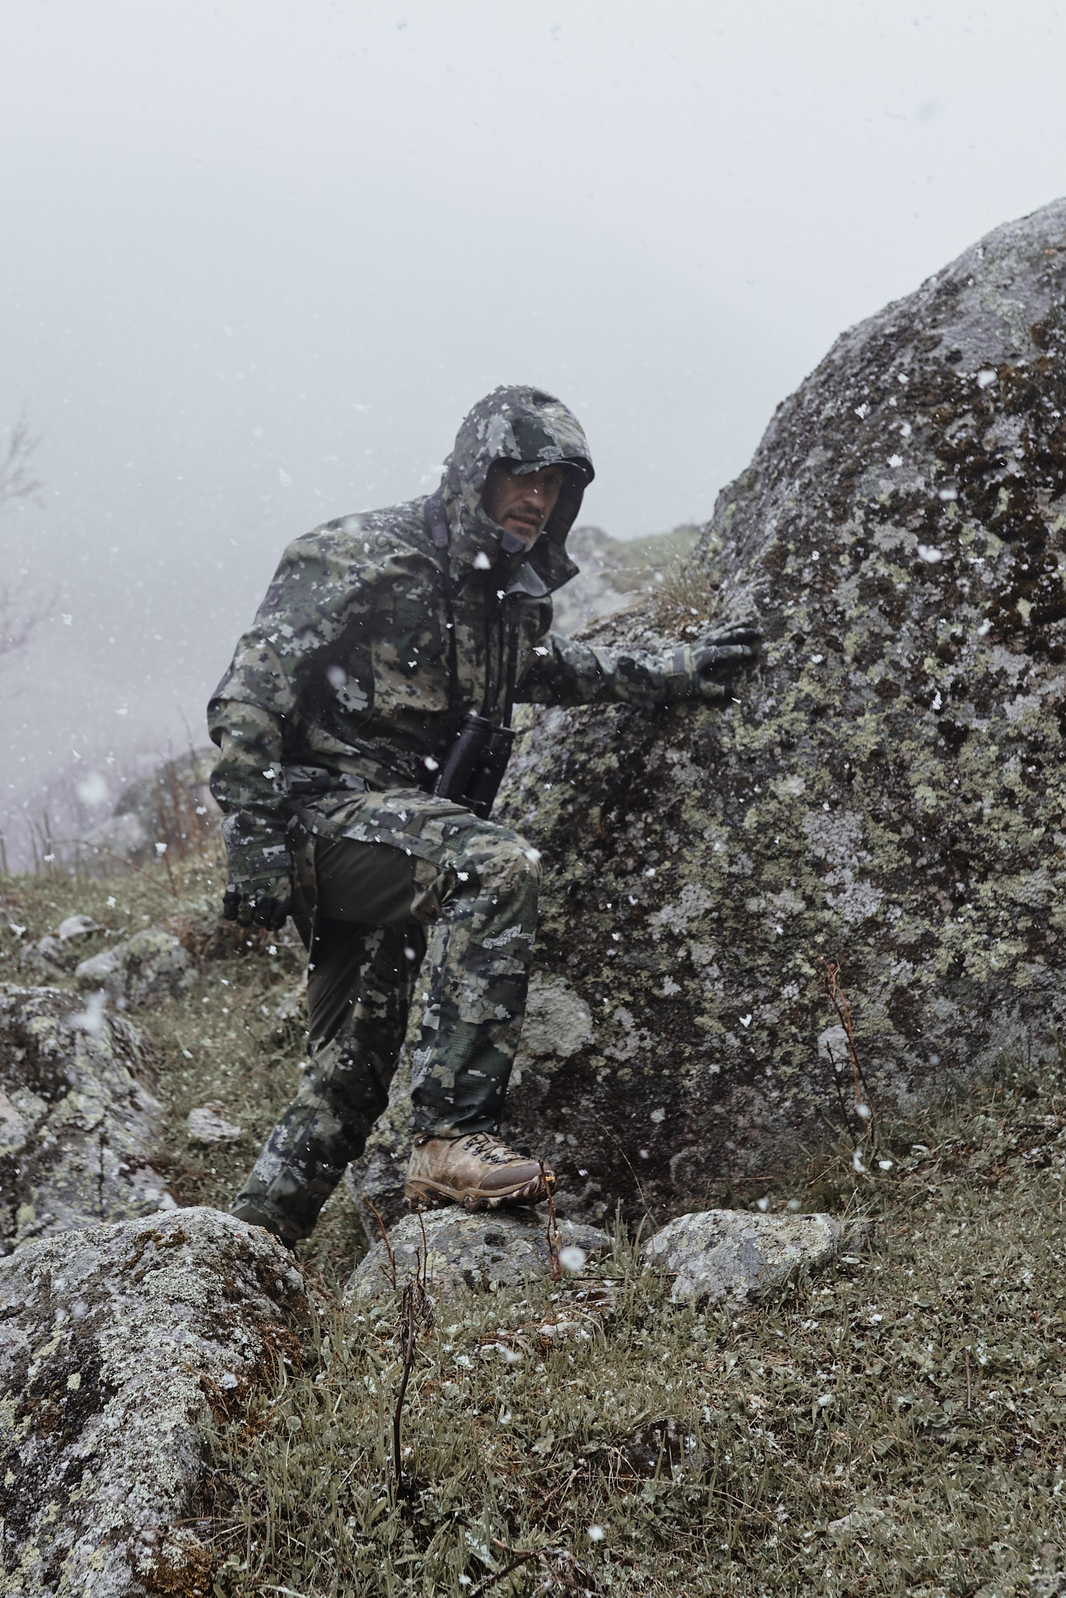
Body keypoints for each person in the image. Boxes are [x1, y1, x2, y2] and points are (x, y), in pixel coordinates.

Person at [208, 385, 761, 1245]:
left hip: (401, 841)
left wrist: (679, 670)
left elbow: (546, 669)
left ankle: (234, 1256)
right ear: (477, 471)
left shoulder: (509, 596)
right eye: (521, 475)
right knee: (494, 863)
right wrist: (250, 843)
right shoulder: (357, 553)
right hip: (324, 822)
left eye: (555, 483)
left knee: (349, 1076)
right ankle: (447, 1136)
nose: (535, 497)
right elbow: (248, 693)